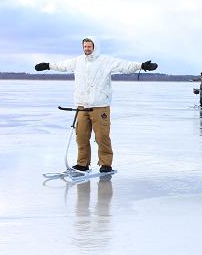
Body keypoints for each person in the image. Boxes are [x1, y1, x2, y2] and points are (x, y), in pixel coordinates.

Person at [35, 38, 158, 173]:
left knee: (102, 136)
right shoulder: (78, 61)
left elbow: (124, 66)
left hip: (100, 106)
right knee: (81, 136)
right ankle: (82, 163)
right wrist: (47, 65)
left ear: (95, 47)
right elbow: (62, 65)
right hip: (81, 105)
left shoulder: (106, 61)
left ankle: (106, 164)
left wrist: (141, 66)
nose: (87, 49)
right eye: (85, 46)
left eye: (89, 46)